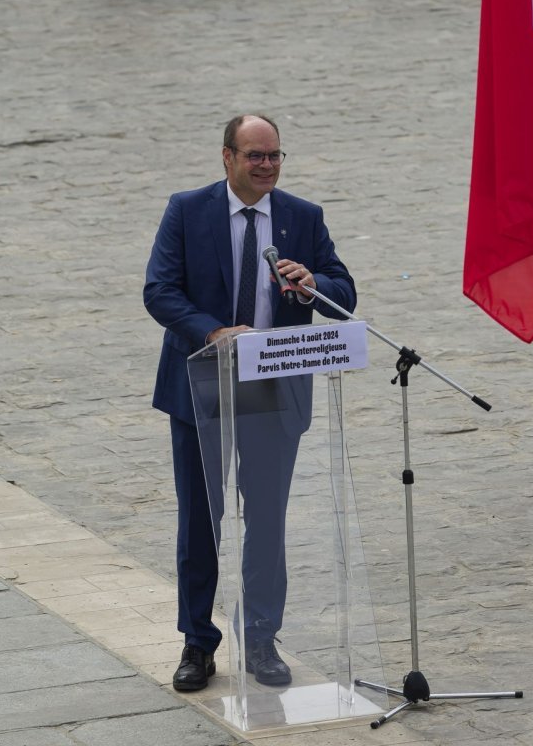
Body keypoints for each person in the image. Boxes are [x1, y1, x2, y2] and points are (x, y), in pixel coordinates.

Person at [144, 114, 356, 693]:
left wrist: (312, 282)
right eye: (255, 156)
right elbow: (160, 291)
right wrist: (213, 331)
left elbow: (343, 292)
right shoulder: (187, 210)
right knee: (200, 522)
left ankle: (261, 640)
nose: (267, 166)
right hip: (201, 387)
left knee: (266, 519)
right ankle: (197, 644)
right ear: (227, 157)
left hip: (273, 384)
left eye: (275, 156)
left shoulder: (302, 217)